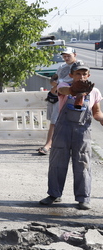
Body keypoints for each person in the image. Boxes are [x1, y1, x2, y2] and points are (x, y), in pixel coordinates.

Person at [39, 62, 103, 210]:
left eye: (84, 74)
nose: (81, 77)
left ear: (88, 75)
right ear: (71, 75)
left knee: (83, 163)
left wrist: (101, 119)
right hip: (63, 130)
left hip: (82, 132)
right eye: (78, 74)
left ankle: (83, 198)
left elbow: (96, 111)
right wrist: (76, 90)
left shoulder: (94, 92)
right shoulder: (63, 86)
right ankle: (54, 194)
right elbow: (65, 91)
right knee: (57, 163)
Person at [37, 74, 59, 155]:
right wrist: (57, 84)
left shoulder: (75, 68)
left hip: (65, 98)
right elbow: (52, 81)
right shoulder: (62, 68)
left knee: (55, 122)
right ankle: (49, 144)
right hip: (55, 98)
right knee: (53, 121)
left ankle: (49, 144)